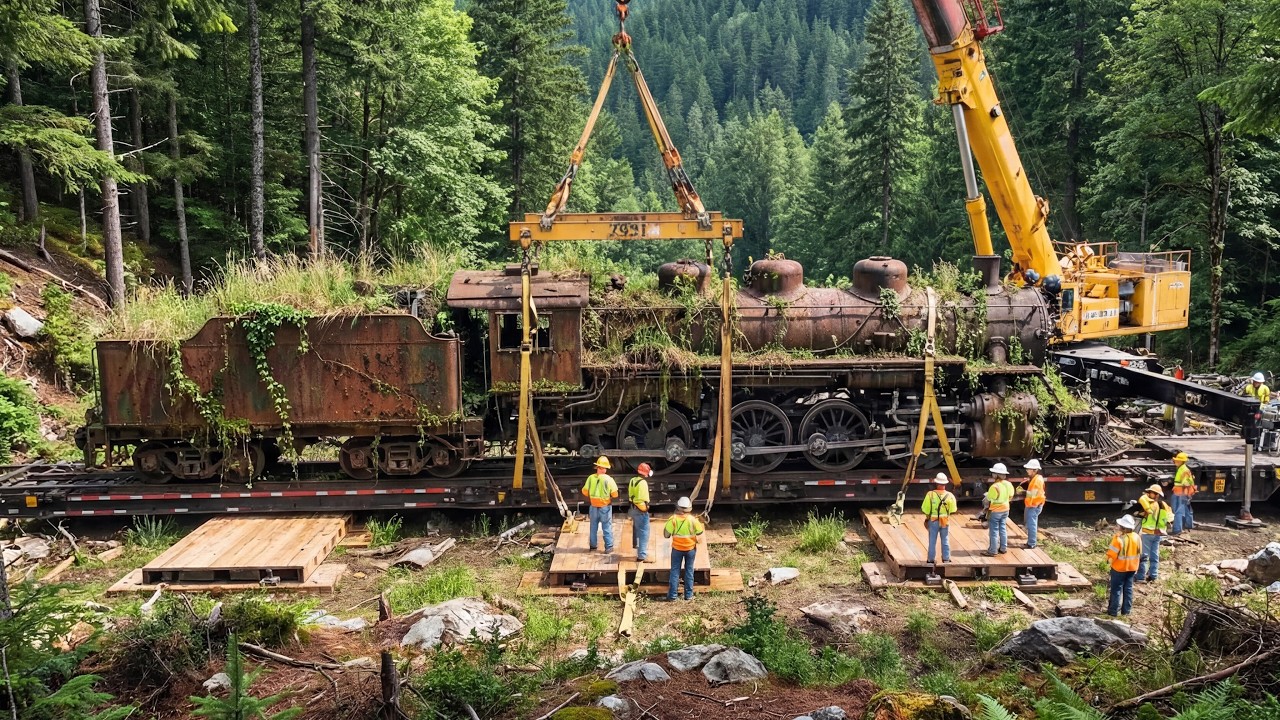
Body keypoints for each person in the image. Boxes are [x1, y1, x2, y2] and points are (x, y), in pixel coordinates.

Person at [663, 496, 704, 601]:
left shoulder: (672, 520)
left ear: (678, 507)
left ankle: (672, 596)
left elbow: (666, 535)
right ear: (689, 509)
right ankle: (689, 596)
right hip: (690, 549)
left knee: (675, 572)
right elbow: (699, 532)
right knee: (689, 571)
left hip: (677, 549)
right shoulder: (693, 520)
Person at [1106, 515, 1142, 617]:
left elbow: (1111, 555)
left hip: (1119, 568)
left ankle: (1113, 611)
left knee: (1116, 590)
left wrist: (1108, 561)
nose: (1118, 527)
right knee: (1128, 589)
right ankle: (1126, 611)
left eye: (1120, 526)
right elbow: (1140, 553)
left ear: (1123, 528)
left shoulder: (1118, 539)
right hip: (1133, 567)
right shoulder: (1137, 537)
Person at [581, 456, 618, 554]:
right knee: (606, 527)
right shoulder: (609, 479)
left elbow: (584, 492)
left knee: (593, 527)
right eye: (605, 468)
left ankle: (593, 546)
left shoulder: (591, 478)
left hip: (593, 506)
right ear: (603, 468)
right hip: (604, 507)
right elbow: (615, 494)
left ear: (597, 467)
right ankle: (608, 547)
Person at [1135, 484, 1172, 583]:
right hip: (1158, 533)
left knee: (1144, 556)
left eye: (1150, 492)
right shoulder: (1163, 504)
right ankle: (1153, 575)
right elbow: (1170, 517)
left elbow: (1144, 505)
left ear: (1154, 494)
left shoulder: (1150, 504)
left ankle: (1140, 576)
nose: (1148, 494)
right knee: (1154, 555)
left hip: (1148, 533)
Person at [921, 473, 957, 565]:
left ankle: (931, 560)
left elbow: (925, 509)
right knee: (945, 540)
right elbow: (954, 509)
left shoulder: (930, 495)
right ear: (945, 484)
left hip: (933, 521)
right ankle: (946, 559)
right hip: (945, 521)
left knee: (932, 541)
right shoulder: (950, 495)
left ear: (936, 483)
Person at [983, 463, 1014, 556]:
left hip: (996, 511)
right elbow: (1011, 496)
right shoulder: (1008, 484)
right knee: (1003, 528)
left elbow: (989, 499)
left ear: (996, 475)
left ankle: (993, 550)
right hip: (1006, 509)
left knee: (994, 531)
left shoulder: (994, 486)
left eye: (993, 473)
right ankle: (1003, 548)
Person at [1019, 458, 1046, 549]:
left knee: (1032, 525)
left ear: (1034, 470)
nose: (1027, 470)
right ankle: (1031, 542)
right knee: (1032, 524)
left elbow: (1033, 494)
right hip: (1034, 504)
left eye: (1028, 469)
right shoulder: (1036, 478)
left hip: (1034, 505)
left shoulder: (1036, 481)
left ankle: (1031, 544)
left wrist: (1023, 492)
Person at [628, 462, 653, 562]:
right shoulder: (643, 483)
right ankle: (642, 555)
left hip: (633, 509)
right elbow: (640, 500)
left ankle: (639, 551)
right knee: (643, 532)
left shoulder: (633, 480)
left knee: (637, 532)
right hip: (640, 510)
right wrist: (645, 509)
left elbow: (632, 496)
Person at [1170, 451, 1195, 535]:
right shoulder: (1182, 468)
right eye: (1175, 460)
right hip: (1183, 493)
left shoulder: (1183, 470)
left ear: (1182, 461)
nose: (1175, 462)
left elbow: (1186, 483)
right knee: (1186, 509)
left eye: (1177, 460)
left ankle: (1177, 530)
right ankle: (1189, 525)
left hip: (1181, 493)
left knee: (1178, 511)